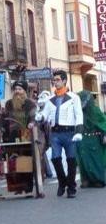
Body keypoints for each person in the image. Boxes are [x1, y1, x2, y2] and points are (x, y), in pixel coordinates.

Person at [36, 70, 83, 198]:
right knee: (55, 158)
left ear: (64, 81)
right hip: (55, 133)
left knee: (71, 159)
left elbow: (79, 115)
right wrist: (40, 116)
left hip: (70, 132)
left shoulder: (74, 97)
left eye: (57, 80)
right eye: (54, 80)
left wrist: (79, 131)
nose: (55, 82)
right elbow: (45, 114)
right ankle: (62, 182)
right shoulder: (50, 99)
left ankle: (71, 187)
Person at [0, 80, 37, 193]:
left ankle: (27, 186)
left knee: (25, 161)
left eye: (20, 89)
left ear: (24, 91)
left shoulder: (30, 104)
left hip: (25, 135)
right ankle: (17, 187)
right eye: (16, 89)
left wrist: (31, 123)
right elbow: (3, 117)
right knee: (13, 161)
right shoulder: (9, 104)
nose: (17, 91)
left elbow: (33, 116)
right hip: (11, 136)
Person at [76, 91, 106, 188]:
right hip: (82, 139)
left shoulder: (95, 111)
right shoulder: (77, 111)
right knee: (83, 160)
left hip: (94, 139)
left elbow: (103, 122)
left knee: (95, 160)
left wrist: (104, 134)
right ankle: (86, 179)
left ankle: (98, 179)